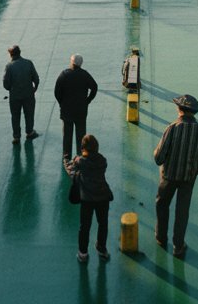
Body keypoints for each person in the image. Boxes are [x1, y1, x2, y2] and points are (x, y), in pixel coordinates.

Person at [153, 93, 198, 260]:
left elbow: (159, 157)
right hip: (188, 179)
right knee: (182, 211)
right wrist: (195, 171)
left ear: (180, 110)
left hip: (168, 177)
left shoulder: (172, 128)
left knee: (162, 205)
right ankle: (178, 246)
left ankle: (161, 238)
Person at [65, 133, 114, 263]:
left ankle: (83, 253)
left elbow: (72, 166)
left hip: (87, 199)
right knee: (103, 223)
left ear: (83, 148)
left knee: (84, 226)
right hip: (103, 197)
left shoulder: (81, 162)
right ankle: (101, 248)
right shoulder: (102, 161)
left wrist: (73, 162)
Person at [54, 53, 99, 160]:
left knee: (67, 135)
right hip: (81, 110)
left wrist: (62, 103)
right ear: (81, 64)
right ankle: (82, 156)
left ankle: (66, 157)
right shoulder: (84, 75)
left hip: (67, 110)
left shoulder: (64, 74)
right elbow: (94, 87)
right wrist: (88, 100)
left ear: (72, 62)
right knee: (81, 135)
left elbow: (57, 92)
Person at [2, 44, 40, 145]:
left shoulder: (9, 66)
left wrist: (12, 89)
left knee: (15, 116)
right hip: (28, 94)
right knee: (29, 113)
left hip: (15, 96)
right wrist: (34, 89)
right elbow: (36, 79)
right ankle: (30, 132)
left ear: (11, 54)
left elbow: (6, 84)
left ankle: (16, 137)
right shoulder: (28, 63)